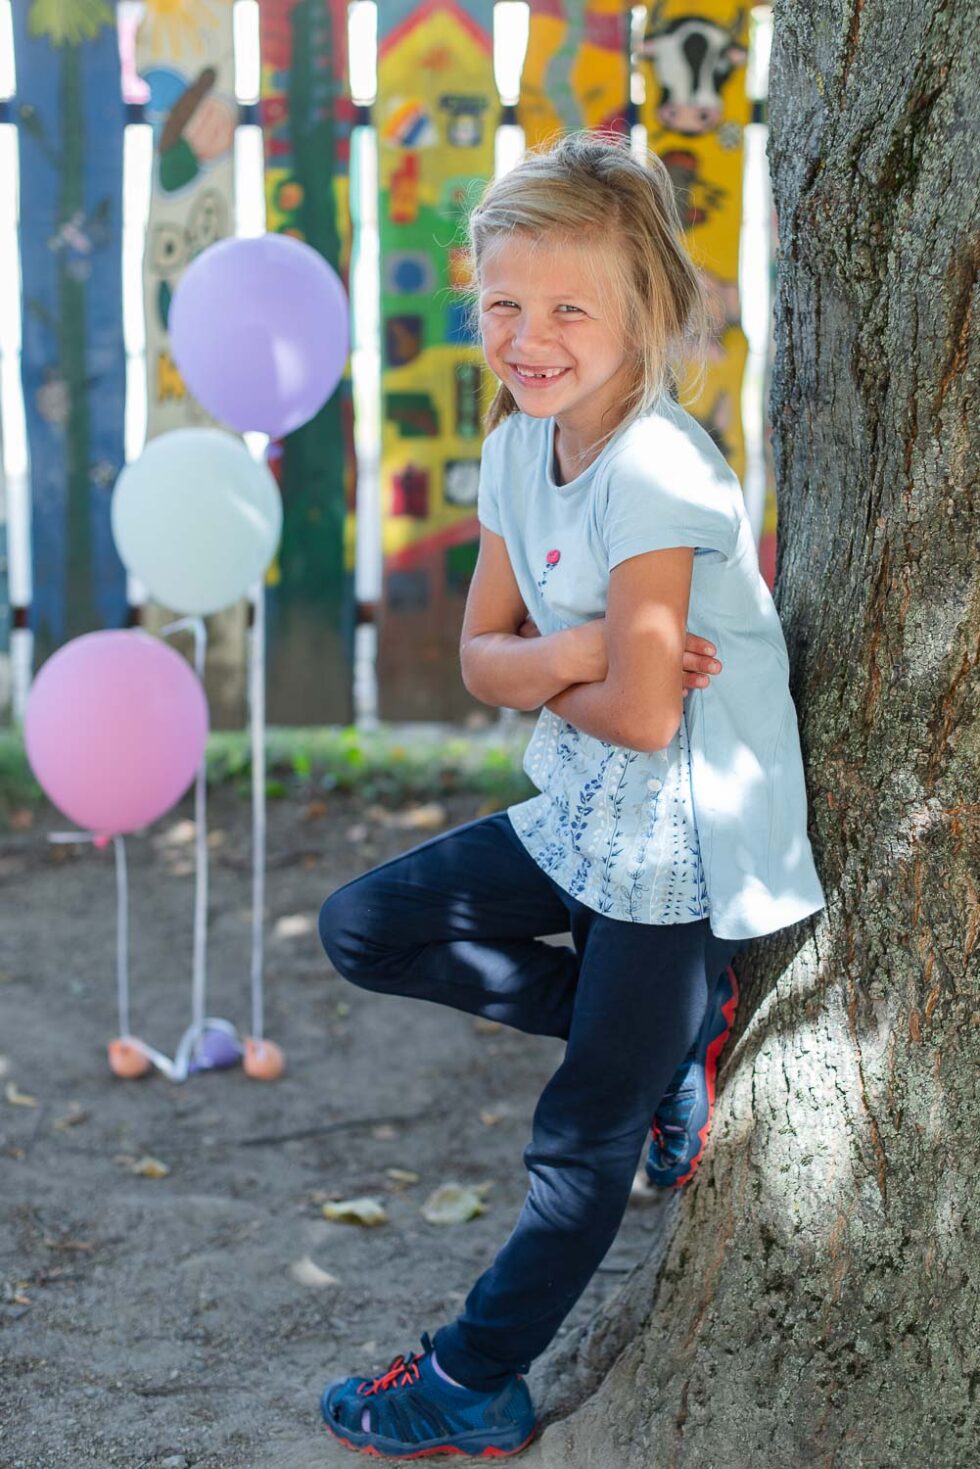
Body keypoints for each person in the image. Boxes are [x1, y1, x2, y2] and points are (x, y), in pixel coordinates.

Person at [316, 129, 826, 1460]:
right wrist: (573, 657)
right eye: (502, 305)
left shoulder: (657, 471)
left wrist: (555, 671)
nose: (526, 338)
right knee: (368, 926)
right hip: (591, 800)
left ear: (642, 311)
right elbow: (487, 656)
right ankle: (664, 1040)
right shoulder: (512, 449)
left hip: (682, 827)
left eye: (566, 309)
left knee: (576, 1139)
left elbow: (653, 714)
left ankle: (474, 1377)